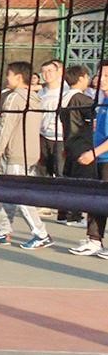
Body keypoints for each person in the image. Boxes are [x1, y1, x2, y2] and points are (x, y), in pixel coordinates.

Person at [0, 62, 51, 250]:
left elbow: (5, 127)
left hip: (17, 153)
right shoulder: (36, 98)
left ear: (19, 77)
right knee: (8, 192)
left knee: (19, 194)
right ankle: (3, 231)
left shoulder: (15, 97)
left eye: (9, 74)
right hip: (30, 152)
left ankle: (41, 234)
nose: (7, 78)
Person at [63, 64, 99, 251]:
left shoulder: (65, 96)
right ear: (82, 78)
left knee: (72, 180)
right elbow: (95, 116)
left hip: (70, 142)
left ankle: (69, 213)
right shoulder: (81, 98)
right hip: (83, 145)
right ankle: (75, 215)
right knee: (86, 183)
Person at [73, 61, 108, 258]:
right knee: (96, 200)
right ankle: (94, 240)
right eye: (101, 75)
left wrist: (93, 153)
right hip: (100, 159)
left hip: (104, 158)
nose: (102, 80)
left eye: (107, 76)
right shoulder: (102, 101)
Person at [33, 59, 74, 223]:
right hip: (43, 135)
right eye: (44, 71)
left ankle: (65, 210)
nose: (47, 74)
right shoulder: (41, 93)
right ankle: (45, 204)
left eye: (50, 71)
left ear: (59, 72)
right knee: (42, 170)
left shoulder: (67, 92)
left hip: (61, 137)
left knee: (61, 172)